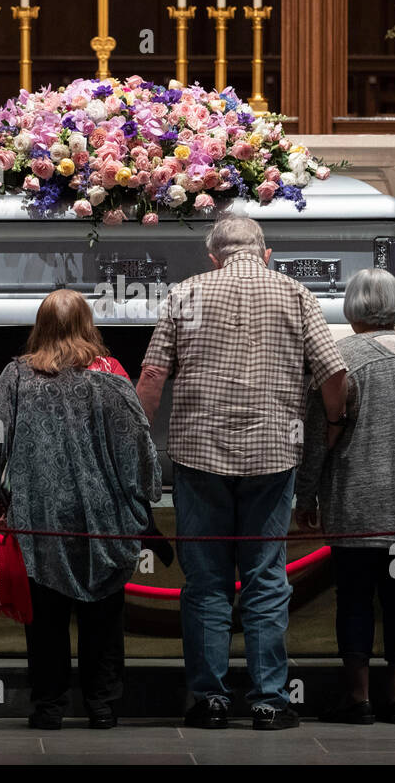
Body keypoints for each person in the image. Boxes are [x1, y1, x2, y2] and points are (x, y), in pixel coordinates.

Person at [137, 213, 347, 731]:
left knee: (206, 582)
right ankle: (270, 700)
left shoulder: (185, 293)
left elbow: (152, 375)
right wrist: (336, 424)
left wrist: (139, 444)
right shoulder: (295, 294)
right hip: (274, 455)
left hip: (198, 454)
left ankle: (208, 700)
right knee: (265, 579)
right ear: (265, 252)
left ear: (214, 256)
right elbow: (335, 373)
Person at [0, 289, 161, 730]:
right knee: (103, 615)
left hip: (42, 516)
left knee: (45, 618)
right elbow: (137, 443)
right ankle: (102, 704)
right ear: (88, 324)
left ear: (40, 326)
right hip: (104, 518)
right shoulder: (112, 373)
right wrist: (145, 496)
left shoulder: (18, 375)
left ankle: (48, 706)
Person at [293, 268, 395, 726]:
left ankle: (360, 698)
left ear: (353, 306)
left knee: (354, 598)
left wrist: (305, 497)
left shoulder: (340, 358)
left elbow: (316, 439)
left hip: (355, 499)